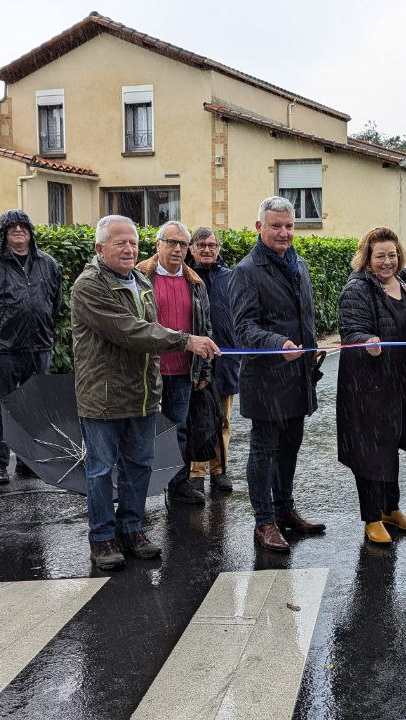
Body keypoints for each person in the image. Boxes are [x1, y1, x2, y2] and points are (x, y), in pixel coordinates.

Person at [72, 215, 218, 571]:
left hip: (142, 394)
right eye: (119, 242)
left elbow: (149, 329)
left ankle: (132, 528)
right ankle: (103, 537)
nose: (128, 248)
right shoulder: (89, 285)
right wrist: (185, 340)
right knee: (101, 470)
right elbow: (130, 331)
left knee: (139, 466)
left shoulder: (139, 279)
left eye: (133, 242)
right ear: (99, 248)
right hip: (103, 397)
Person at [231, 196, 327, 552]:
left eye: (289, 226)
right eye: (276, 226)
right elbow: (242, 328)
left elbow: (305, 316)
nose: (284, 233)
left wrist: (311, 344)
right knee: (263, 451)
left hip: (298, 376)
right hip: (267, 378)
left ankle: (285, 511)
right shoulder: (246, 271)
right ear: (259, 227)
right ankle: (264, 521)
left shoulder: (298, 264)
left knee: (290, 448)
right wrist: (278, 342)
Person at [337, 227, 406, 545]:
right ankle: (372, 517)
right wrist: (367, 341)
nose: (387, 262)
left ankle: (391, 509)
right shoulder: (357, 289)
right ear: (368, 257)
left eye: (392, 255)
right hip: (367, 386)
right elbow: (351, 331)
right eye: (380, 256)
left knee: (390, 445)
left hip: (401, 383)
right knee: (369, 451)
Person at [0, 209, 63, 485]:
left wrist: (40, 325)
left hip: (38, 347)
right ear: (3, 233)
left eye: (23, 226)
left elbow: (56, 303)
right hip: (2, 350)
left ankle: (28, 462)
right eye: (12, 227)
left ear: (31, 231)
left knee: (33, 408)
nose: (18, 230)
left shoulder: (48, 264)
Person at [135, 221, 213, 505]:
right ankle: (138, 489)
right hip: (146, 370)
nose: (177, 249)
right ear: (158, 245)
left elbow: (205, 327)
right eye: (171, 242)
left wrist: (204, 369)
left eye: (182, 243)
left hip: (182, 370)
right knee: (141, 432)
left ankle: (178, 485)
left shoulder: (194, 282)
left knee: (177, 429)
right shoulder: (140, 276)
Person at [187, 227, 239, 491]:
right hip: (194, 359)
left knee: (223, 419)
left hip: (226, 360)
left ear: (218, 248)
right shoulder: (187, 277)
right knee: (197, 419)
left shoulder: (230, 278)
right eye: (201, 245)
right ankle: (196, 473)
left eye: (212, 245)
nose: (207, 249)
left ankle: (220, 471)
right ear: (191, 248)